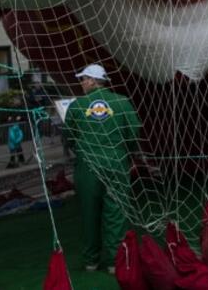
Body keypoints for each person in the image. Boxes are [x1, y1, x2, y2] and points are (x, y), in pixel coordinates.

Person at [64, 63, 141, 273]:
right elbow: (134, 133)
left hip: (87, 167)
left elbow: (69, 137)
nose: (81, 83)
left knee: (89, 214)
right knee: (115, 212)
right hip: (116, 163)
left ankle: (91, 261)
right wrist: (126, 153)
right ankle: (115, 263)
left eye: (82, 79)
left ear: (92, 80)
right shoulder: (122, 102)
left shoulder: (77, 106)